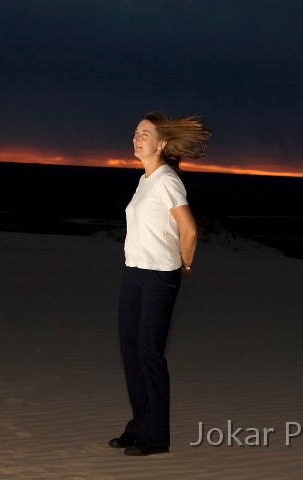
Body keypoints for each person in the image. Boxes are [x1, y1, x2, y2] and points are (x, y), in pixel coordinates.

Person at [108, 110, 212, 456]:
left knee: (150, 353)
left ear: (162, 144)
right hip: (134, 272)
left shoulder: (167, 179)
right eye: (135, 132)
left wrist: (183, 264)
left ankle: (156, 438)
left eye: (145, 134)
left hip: (157, 277)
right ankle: (139, 427)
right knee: (131, 354)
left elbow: (190, 229)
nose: (136, 138)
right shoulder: (146, 180)